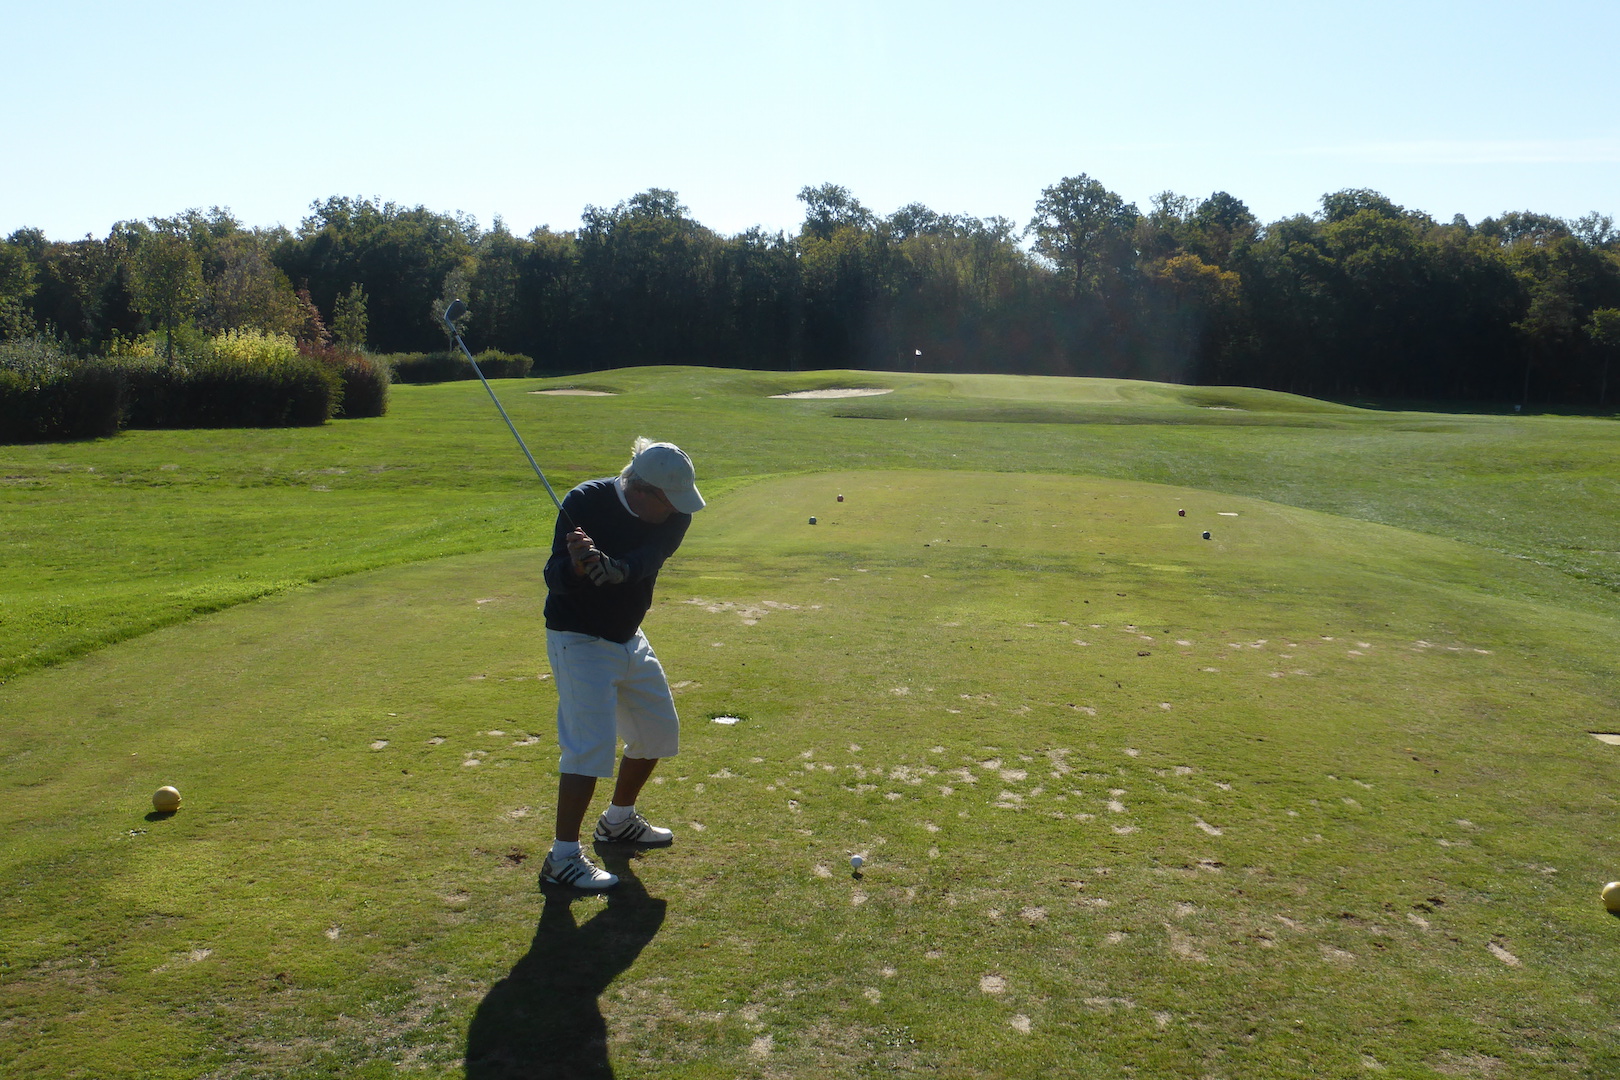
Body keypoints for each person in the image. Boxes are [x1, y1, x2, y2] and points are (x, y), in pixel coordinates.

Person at [537, 437, 704, 891]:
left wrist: (617, 570)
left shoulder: (677, 514)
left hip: (629, 635)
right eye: (668, 502)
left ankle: (617, 822)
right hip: (578, 639)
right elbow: (553, 577)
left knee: (656, 734)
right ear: (642, 491)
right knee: (589, 748)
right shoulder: (584, 502)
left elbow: (649, 558)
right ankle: (562, 859)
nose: (677, 511)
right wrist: (576, 567)